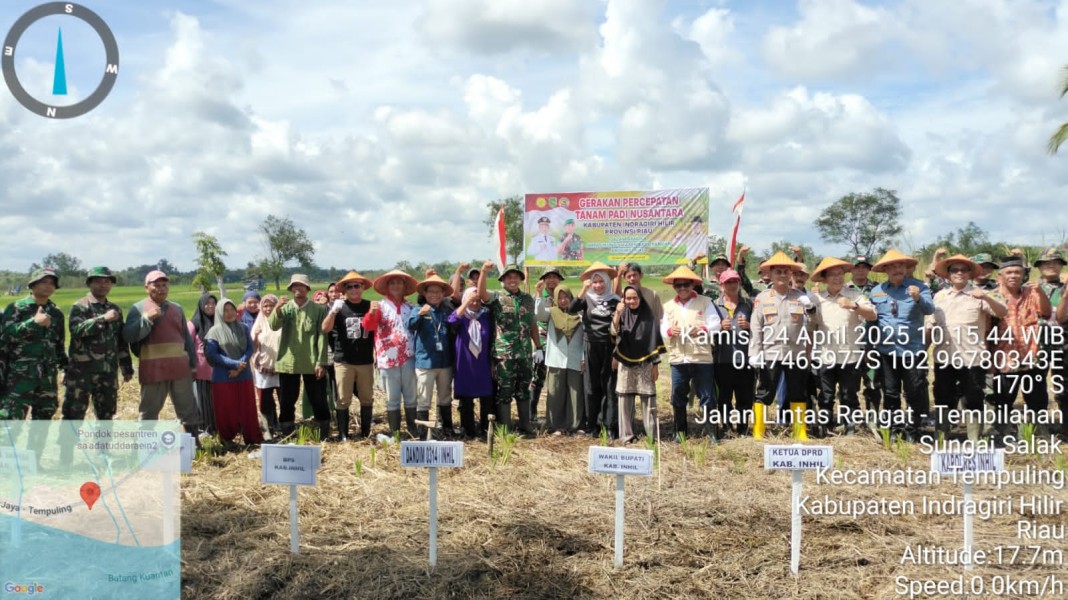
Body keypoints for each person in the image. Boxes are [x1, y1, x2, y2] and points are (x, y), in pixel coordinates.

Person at [928, 255, 1006, 440]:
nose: (959, 273)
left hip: (972, 358)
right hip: (944, 357)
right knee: (942, 396)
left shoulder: (979, 294)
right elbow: (931, 325)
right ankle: (942, 434)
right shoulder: (939, 296)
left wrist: (986, 297)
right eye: (955, 270)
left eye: (964, 270)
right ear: (948, 275)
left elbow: (1002, 312)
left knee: (973, 398)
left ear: (970, 273)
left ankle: (974, 439)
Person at [122, 270, 202, 440]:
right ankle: (146, 447)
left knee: (187, 408)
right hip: (153, 369)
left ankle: (193, 444)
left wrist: (193, 364)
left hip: (180, 368)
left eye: (164, 285)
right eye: (156, 285)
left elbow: (186, 339)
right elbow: (127, 335)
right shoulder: (138, 308)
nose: (160, 288)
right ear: (146, 288)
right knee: (149, 410)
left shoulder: (176, 308)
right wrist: (146, 319)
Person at [868, 249, 935, 441]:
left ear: (906, 268)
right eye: (893, 266)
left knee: (914, 392)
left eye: (901, 265)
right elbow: (871, 321)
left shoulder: (919, 287)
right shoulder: (877, 290)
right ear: (886, 269)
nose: (897, 269)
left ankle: (913, 431)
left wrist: (918, 298)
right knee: (890, 392)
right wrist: (868, 346)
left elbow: (930, 309)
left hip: (913, 350)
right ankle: (894, 430)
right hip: (886, 351)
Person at [748, 252, 815, 440]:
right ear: (770, 273)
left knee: (797, 392)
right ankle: (759, 432)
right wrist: (754, 352)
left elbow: (813, 323)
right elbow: (756, 325)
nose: (782, 275)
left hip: (795, 353)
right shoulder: (762, 297)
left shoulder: (800, 297)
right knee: (765, 392)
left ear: (791, 274)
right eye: (778, 272)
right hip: (770, 353)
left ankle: (799, 432)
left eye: (786, 272)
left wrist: (810, 307)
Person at [809, 257, 877, 436]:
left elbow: (872, 315)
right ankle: (825, 427)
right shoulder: (817, 298)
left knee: (849, 394)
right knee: (826, 394)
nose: (837, 278)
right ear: (824, 279)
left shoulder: (855, 295)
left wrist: (854, 306)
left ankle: (850, 428)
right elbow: (811, 324)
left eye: (840, 274)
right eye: (832, 275)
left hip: (850, 355)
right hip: (825, 355)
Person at [990, 257, 1052, 437]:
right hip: (1004, 357)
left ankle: (1039, 432)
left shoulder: (1032, 293)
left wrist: (1040, 292)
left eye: (1018, 272)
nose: (1013, 276)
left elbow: (1046, 314)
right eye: (1009, 272)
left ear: (1024, 274)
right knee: (1003, 398)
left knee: (1037, 398)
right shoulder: (993, 296)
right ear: (1000, 275)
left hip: (1031, 356)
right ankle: (1002, 432)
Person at [62, 266, 133, 423]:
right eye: (98, 281)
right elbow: (76, 330)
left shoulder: (115, 309)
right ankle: (66, 448)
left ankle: (103, 447)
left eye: (107, 282)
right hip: (81, 373)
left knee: (106, 416)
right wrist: (103, 319)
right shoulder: (80, 307)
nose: (103, 285)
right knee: (73, 416)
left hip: (107, 372)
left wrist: (126, 366)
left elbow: (121, 341)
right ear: (89, 284)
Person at [477, 261, 542, 434]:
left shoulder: (528, 299)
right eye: (509, 277)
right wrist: (483, 271)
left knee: (523, 390)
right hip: (504, 354)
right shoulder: (497, 297)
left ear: (520, 279)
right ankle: (505, 428)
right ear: (503, 280)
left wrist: (538, 346)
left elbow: (532, 324)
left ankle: (525, 425)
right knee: (504, 391)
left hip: (525, 354)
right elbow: (481, 293)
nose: (512, 280)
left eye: (516, 277)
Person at [660, 265, 720, 441]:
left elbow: (715, 324)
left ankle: (712, 432)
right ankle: (680, 432)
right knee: (678, 396)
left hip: (701, 357)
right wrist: (671, 331)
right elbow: (662, 329)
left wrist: (702, 329)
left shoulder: (705, 302)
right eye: (678, 285)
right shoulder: (668, 306)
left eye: (686, 284)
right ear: (674, 287)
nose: (682, 288)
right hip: (679, 358)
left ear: (692, 285)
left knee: (708, 396)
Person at [268, 274, 331, 440]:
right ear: (290, 289)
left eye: (301, 285)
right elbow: (274, 326)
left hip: (311, 361)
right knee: (287, 399)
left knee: (318, 398)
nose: (298, 289)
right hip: (288, 361)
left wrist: (321, 362)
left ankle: (322, 430)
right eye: (294, 286)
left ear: (307, 288)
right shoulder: (286, 308)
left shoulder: (318, 309)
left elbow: (321, 337)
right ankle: (287, 430)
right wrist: (277, 308)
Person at [1, 268, 67, 423]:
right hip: (20, 376)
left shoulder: (56, 312)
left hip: (47, 377)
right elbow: (5, 336)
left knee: (45, 416)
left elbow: (59, 345)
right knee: (10, 418)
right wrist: (33, 323)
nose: (48, 286)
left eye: (52, 283)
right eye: (43, 282)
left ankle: (35, 448)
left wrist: (65, 367)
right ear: (32, 285)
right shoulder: (16, 308)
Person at [363, 269, 420, 437]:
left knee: (411, 396)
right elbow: (368, 326)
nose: (396, 286)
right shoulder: (379, 306)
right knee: (392, 398)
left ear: (404, 286)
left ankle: (412, 429)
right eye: (392, 283)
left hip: (409, 357)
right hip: (387, 359)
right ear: (387, 287)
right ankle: (395, 432)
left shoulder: (410, 307)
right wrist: (371, 314)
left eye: (399, 282)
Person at [321, 271, 375, 440]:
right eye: (349, 287)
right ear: (344, 290)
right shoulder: (338, 307)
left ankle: (365, 432)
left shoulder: (369, 305)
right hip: (343, 360)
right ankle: (343, 434)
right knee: (343, 399)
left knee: (366, 398)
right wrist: (332, 312)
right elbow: (325, 329)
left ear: (362, 287)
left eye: (357, 286)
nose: (354, 290)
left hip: (365, 360)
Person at [204, 298, 263, 445]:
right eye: (226, 310)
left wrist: (240, 366)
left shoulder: (243, 327)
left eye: (232, 310)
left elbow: (249, 348)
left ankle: (251, 438)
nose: (230, 313)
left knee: (247, 407)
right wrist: (235, 363)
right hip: (223, 376)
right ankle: (228, 439)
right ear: (219, 313)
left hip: (244, 374)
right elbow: (212, 354)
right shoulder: (214, 332)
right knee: (226, 409)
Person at [572, 262, 621, 438]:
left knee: (609, 386)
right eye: (595, 282)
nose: (598, 285)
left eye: (601, 282)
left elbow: (619, 327)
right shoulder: (587, 299)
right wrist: (583, 290)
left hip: (609, 346)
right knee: (591, 387)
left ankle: (609, 426)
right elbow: (571, 310)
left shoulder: (615, 300)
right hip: (590, 345)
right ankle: (592, 426)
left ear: (607, 282)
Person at [612, 285, 666, 443]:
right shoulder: (621, 314)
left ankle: (651, 436)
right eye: (628, 298)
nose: (631, 301)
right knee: (624, 400)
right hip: (624, 361)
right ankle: (626, 436)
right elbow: (613, 333)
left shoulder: (648, 316)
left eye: (634, 298)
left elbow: (654, 341)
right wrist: (617, 313)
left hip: (645, 363)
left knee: (648, 399)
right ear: (624, 299)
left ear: (640, 298)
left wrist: (656, 365)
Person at [408, 273, 456, 438]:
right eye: (431, 292)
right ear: (425, 294)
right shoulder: (417, 310)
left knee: (445, 397)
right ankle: (422, 433)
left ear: (443, 294)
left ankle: (447, 430)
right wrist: (421, 313)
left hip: (445, 362)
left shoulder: (447, 310)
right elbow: (411, 325)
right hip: (425, 363)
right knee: (424, 400)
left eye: (438, 292)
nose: (435, 295)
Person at [535, 284, 585, 434]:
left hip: (576, 359)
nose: (563, 301)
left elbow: (585, 339)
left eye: (566, 297)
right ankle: (556, 426)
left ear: (571, 297)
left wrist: (584, 357)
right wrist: (538, 293)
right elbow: (538, 314)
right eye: (560, 298)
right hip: (556, 359)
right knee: (556, 393)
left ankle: (575, 426)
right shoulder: (551, 312)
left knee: (575, 394)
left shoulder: (581, 314)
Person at [709, 268, 754, 436]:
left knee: (745, 396)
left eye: (735, 281)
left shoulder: (749, 304)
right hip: (722, 359)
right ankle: (727, 427)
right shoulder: (713, 305)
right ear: (721, 285)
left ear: (739, 283)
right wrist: (720, 328)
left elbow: (760, 328)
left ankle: (743, 428)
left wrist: (749, 326)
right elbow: (708, 330)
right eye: (728, 282)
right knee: (724, 397)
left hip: (745, 358)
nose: (732, 285)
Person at [448, 287, 494, 438]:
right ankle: (468, 430)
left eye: (477, 300)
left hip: (482, 362)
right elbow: (451, 320)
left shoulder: (486, 316)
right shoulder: (461, 316)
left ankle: (486, 429)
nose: (474, 303)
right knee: (466, 398)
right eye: (471, 300)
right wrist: (465, 303)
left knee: (486, 395)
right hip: (465, 363)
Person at [531, 267, 565, 423]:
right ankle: (532, 413)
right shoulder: (538, 297)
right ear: (543, 280)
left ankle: (557, 414)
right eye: (548, 277)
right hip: (543, 344)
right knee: (537, 378)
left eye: (555, 277)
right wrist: (537, 346)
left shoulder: (563, 297)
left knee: (557, 380)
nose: (552, 280)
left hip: (559, 344)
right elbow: (533, 321)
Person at [250, 294, 281, 436]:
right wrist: (256, 336)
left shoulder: (282, 321)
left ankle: (283, 425)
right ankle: (268, 427)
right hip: (263, 367)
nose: (268, 309)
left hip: (281, 367)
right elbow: (253, 348)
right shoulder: (259, 323)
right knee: (265, 399)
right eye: (265, 306)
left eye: (271, 306)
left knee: (284, 398)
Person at [188, 293, 218, 435]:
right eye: (207, 303)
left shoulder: (219, 322)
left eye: (213, 303)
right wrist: (191, 366)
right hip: (201, 370)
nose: (211, 306)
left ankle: (216, 427)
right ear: (201, 305)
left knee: (215, 401)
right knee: (203, 401)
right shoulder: (193, 324)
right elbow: (186, 346)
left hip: (219, 370)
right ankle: (205, 430)